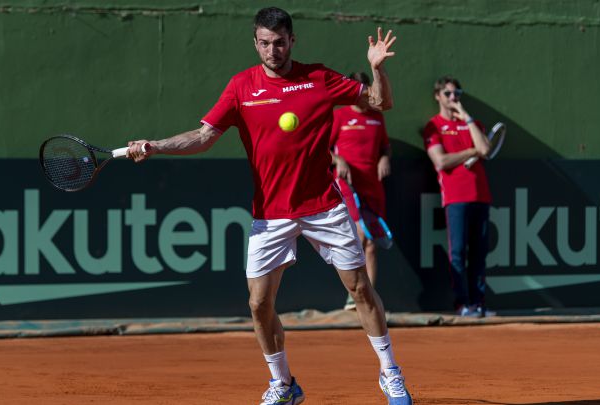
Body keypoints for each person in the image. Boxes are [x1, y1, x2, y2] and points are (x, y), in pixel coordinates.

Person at [126, 7, 413, 405]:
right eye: (265, 43)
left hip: (323, 207)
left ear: (292, 41)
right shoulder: (241, 86)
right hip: (270, 215)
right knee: (259, 303)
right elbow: (204, 136)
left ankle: (390, 373)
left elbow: (381, 103)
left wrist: (377, 69)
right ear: (255, 43)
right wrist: (156, 146)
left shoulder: (320, 77)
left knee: (361, 289)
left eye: (279, 42)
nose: (272, 50)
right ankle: (284, 384)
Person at [421, 75, 494, 318]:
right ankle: (462, 304)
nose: (453, 98)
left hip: (481, 197)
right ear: (438, 96)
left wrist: (466, 116)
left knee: (479, 254)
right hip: (455, 198)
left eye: (457, 94)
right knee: (458, 253)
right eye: (449, 94)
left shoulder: (473, 124)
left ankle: (479, 303)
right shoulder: (434, 126)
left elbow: (485, 149)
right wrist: (471, 152)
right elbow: (440, 161)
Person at [330, 71, 392, 311]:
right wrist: (339, 160)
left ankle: (368, 299)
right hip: (347, 185)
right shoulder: (339, 116)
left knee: (372, 244)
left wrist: (385, 159)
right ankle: (356, 294)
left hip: (373, 186)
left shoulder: (377, 117)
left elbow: (386, 148)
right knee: (360, 236)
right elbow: (323, 150)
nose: (363, 95)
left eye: (365, 90)